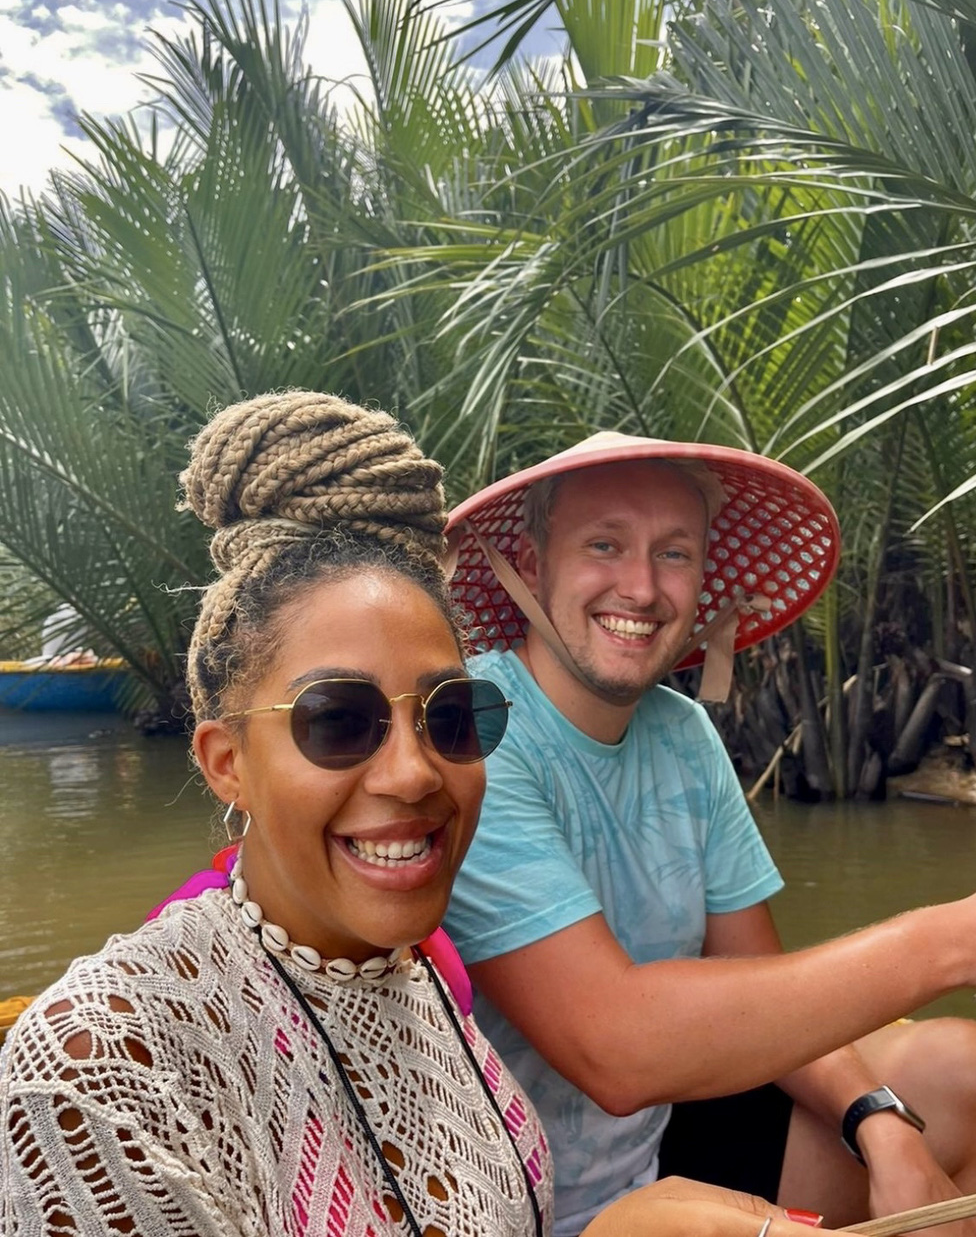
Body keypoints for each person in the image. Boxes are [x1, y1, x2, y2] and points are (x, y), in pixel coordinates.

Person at [0, 393, 830, 1237]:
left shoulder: (428, 978)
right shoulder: (101, 1061)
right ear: (227, 765)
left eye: (451, 717)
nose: (412, 772)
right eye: (338, 721)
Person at [442, 429, 976, 1237]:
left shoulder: (684, 734)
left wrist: (878, 1122)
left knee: (973, 1073)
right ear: (529, 565)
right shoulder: (472, 733)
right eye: (604, 544)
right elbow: (616, 1051)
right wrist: (957, 940)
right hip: (521, 1200)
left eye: (674, 554)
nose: (641, 586)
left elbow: (762, 988)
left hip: (657, 1144)